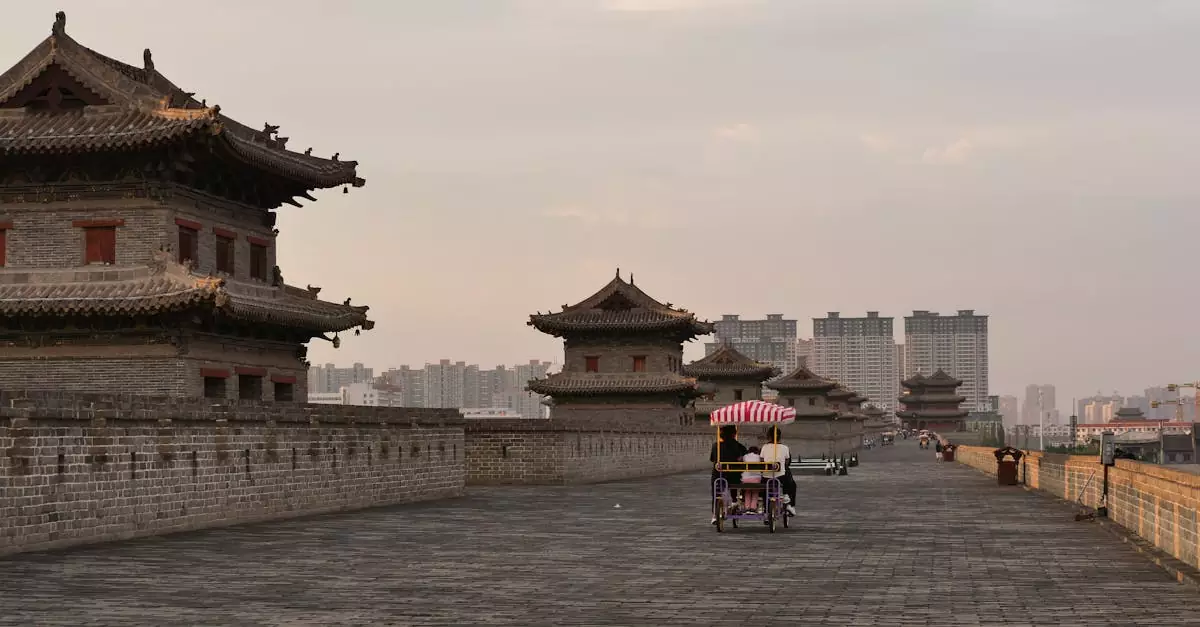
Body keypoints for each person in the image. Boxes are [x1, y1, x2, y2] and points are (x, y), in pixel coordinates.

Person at [710, 425, 747, 524]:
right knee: (735, 476)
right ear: (734, 434)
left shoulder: (715, 446)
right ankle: (734, 501)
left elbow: (712, 459)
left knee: (715, 490)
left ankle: (714, 515)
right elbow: (745, 455)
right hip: (733, 477)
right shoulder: (738, 446)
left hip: (718, 475)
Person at [759, 426, 798, 516]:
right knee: (789, 477)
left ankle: (766, 509)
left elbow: (761, 461)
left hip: (766, 477)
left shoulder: (764, 447)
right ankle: (788, 499)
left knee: (765, 488)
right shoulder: (785, 447)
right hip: (781, 478)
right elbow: (787, 462)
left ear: (768, 436)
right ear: (780, 436)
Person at [741, 446, 763, 512]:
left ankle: (747, 507)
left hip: (745, 479)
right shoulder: (759, 457)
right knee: (755, 492)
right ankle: (753, 507)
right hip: (756, 479)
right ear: (757, 451)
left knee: (747, 492)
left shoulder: (745, 456)